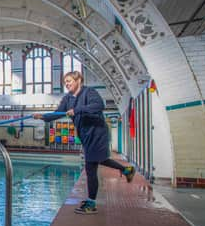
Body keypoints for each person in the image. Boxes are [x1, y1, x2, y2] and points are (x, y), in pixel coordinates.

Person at [34, 71, 135, 215]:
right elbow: (58, 113)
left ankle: (91, 203)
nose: (67, 84)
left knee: (90, 167)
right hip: (85, 135)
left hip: (97, 132)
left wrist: (77, 110)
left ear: (78, 80)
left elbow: (99, 105)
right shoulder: (68, 98)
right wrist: (42, 117)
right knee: (100, 159)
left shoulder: (89, 92)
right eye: (65, 82)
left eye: (69, 81)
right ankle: (126, 170)